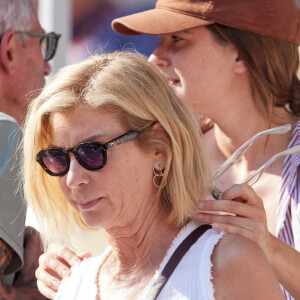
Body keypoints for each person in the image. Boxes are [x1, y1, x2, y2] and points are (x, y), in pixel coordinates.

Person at [36, 0, 300, 299]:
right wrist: (71, 273)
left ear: (241, 53)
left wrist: (268, 249)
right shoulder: (157, 145)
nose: (154, 58)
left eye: (177, 39)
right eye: (57, 157)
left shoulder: (155, 145)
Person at [0, 0, 60, 298]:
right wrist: (39, 291)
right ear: (9, 50)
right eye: (43, 43)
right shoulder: (3, 131)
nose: (48, 65)